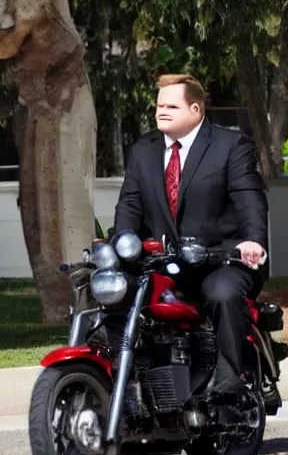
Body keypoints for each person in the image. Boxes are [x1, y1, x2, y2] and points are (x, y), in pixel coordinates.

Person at [113, 74, 269, 396]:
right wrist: (123, 241)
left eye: (171, 105)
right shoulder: (144, 150)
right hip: (165, 262)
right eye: (159, 105)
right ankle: (122, 379)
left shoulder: (230, 145)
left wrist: (252, 241)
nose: (161, 111)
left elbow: (250, 200)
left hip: (223, 259)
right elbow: (129, 204)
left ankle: (229, 384)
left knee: (221, 293)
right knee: (113, 291)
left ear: (196, 109)